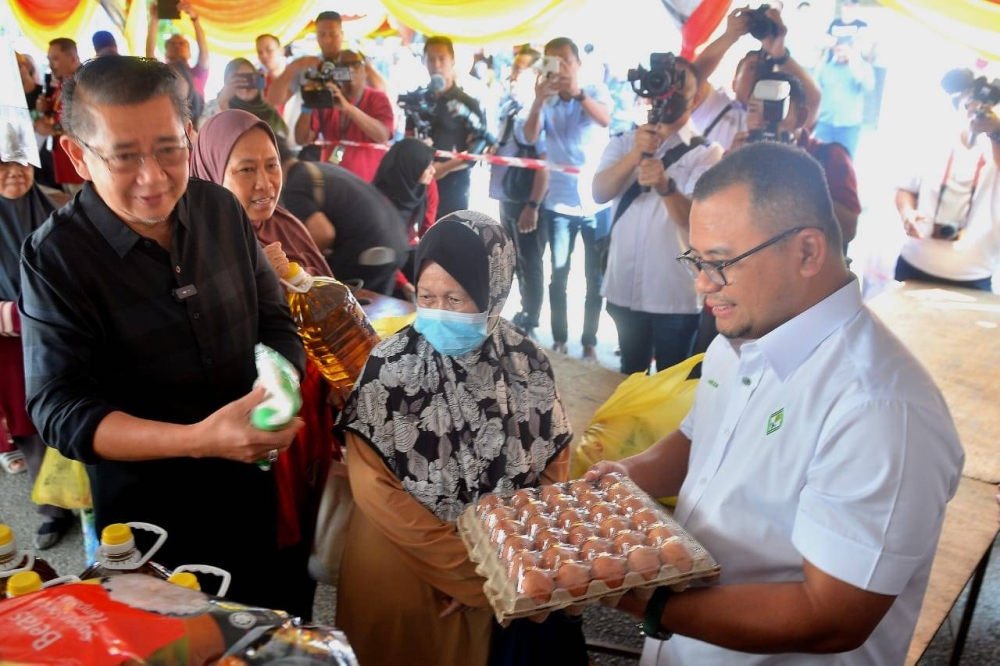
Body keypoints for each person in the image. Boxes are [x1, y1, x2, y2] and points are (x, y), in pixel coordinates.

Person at [586, 142, 964, 664]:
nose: (701, 284)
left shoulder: (881, 408)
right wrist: (624, 478)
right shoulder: (736, 341)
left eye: (721, 263)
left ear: (807, 251)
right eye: (695, 259)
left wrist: (644, 602)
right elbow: (701, 440)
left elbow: (830, 617)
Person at [19, 56, 304, 611]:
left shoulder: (221, 208)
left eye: (169, 149)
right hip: (147, 524)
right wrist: (199, 440)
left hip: (250, 489)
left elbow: (273, 320)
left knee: (261, 622)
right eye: (124, 157)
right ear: (78, 155)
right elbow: (58, 409)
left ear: (190, 136)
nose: (152, 177)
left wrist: (279, 387)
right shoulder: (56, 258)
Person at [335, 211, 582, 666]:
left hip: (508, 566)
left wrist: (509, 568)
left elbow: (553, 463)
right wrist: (475, 578)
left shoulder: (527, 364)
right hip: (407, 571)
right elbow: (375, 490)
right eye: (426, 297)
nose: (438, 313)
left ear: (494, 292)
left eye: (456, 298)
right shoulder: (390, 366)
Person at [190, 109, 337, 619]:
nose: (263, 183)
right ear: (210, 171)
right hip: (253, 431)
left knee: (302, 565)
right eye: (244, 169)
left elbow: (331, 303)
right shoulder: (201, 246)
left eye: (271, 165)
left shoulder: (287, 225)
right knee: (258, 571)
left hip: (312, 417)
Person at [593, 58, 723, 375]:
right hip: (623, 286)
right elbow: (599, 192)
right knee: (627, 377)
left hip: (674, 293)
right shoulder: (624, 141)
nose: (670, 94)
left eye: (682, 87)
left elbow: (698, 223)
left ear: (694, 99)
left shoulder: (706, 152)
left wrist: (666, 187)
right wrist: (635, 156)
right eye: (666, 84)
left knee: (670, 383)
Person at [0, 152, 76, 546]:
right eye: (3, 166)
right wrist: (21, 313)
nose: (15, 173)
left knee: (74, 411)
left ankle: (91, 500)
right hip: (11, 351)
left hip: (61, 337)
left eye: (21, 163)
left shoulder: (55, 210)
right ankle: (52, 510)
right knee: (31, 430)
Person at [521, 37, 612, 362]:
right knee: (557, 275)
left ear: (577, 64)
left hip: (596, 203)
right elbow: (530, 137)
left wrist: (577, 94)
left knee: (595, 278)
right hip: (557, 202)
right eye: (551, 62)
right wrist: (537, 101)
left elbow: (605, 119)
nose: (558, 68)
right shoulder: (545, 100)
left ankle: (589, 340)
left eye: (564, 61)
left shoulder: (595, 91)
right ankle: (559, 338)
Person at [894, 71, 1000, 290]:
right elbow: (905, 189)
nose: (975, 113)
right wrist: (908, 214)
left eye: (983, 107)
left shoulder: (993, 150)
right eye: (969, 104)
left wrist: (995, 132)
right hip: (916, 263)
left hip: (973, 274)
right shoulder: (935, 139)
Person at [731, 72, 861, 248]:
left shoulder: (830, 157)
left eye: (774, 110)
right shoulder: (738, 155)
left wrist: (792, 173)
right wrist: (732, 169)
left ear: (801, 116)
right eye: (753, 110)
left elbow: (847, 230)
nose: (761, 120)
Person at [275, 138, 407, 294]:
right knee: (372, 308)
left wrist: (300, 266)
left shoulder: (295, 184)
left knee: (331, 302)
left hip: (367, 251)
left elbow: (323, 234)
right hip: (396, 243)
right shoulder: (317, 168)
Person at [692, 5, 822, 151]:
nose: (760, 74)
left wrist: (779, 55)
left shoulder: (780, 115)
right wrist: (730, 35)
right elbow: (691, 81)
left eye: (768, 68)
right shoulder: (716, 106)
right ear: (734, 83)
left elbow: (812, 100)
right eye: (752, 68)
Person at [491, 46, 549, 339]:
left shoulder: (534, 112)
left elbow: (542, 163)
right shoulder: (510, 106)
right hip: (507, 196)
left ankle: (530, 319)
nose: (514, 74)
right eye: (514, 67)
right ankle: (518, 313)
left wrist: (533, 204)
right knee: (511, 257)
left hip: (523, 197)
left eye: (522, 69)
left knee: (529, 260)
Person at [295, 49, 394, 181]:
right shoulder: (328, 97)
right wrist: (308, 105)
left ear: (366, 71)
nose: (350, 69)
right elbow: (301, 139)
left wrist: (348, 108)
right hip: (332, 181)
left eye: (356, 64)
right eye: (343, 66)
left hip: (368, 182)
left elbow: (382, 136)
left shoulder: (378, 98)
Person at [421, 36, 491, 217]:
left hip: (454, 186)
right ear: (424, 61)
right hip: (421, 185)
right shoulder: (419, 100)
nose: (436, 64)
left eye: (442, 58)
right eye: (431, 58)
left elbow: (479, 147)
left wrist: (444, 168)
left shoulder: (466, 103)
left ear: (452, 61)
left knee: (451, 238)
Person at [266, 11, 387, 110]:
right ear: (316, 36)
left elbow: (382, 92)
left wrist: (364, 67)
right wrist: (293, 67)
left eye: (333, 34)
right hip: (315, 133)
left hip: (353, 130)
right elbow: (274, 100)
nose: (327, 40)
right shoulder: (306, 65)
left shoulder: (355, 63)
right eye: (322, 34)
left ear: (342, 35)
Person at [371, 138, 439, 300]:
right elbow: (379, 248)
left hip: (407, 250)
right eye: (428, 166)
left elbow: (428, 230)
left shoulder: (426, 187)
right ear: (411, 168)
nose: (433, 171)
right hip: (380, 256)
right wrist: (403, 284)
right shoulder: (378, 200)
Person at [34, 38, 83, 193]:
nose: (51, 65)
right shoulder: (63, 84)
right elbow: (60, 113)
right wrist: (48, 108)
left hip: (81, 169)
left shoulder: (82, 85)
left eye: (55, 59)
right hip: (66, 167)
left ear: (73, 58)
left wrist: (51, 128)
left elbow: (83, 123)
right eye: (49, 59)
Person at [813, 37, 874, 158]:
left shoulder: (863, 67)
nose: (841, 54)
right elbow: (814, 85)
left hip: (849, 127)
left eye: (845, 50)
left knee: (845, 164)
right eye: (838, 50)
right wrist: (823, 53)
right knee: (819, 161)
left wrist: (854, 65)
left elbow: (868, 87)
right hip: (825, 124)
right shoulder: (826, 66)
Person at [202, 58, 289, 139]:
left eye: (250, 78)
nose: (246, 85)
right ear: (227, 81)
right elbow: (204, 133)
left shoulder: (269, 110)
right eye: (239, 79)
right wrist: (223, 101)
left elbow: (285, 139)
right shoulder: (214, 107)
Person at [146, 0, 210, 97]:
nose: (177, 45)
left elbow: (204, 52)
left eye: (181, 43)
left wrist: (194, 18)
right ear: (166, 53)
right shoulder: (160, 72)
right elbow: (149, 53)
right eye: (172, 43)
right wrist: (154, 20)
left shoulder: (198, 73)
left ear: (189, 53)